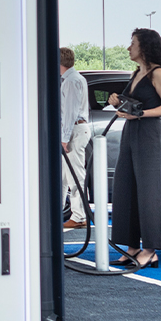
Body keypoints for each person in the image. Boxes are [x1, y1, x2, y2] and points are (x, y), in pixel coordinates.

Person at [106, 28, 161, 269]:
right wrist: (115, 99)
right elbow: (128, 103)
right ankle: (132, 247)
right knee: (125, 188)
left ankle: (150, 250)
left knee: (148, 192)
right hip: (131, 133)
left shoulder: (158, 74)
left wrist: (141, 114)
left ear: (144, 47)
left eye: (132, 43)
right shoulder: (136, 73)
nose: (128, 48)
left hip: (148, 134)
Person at [59, 47, 90, 228]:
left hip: (74, 131)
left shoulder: (71, 81)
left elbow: (70, 113)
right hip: (75, 130)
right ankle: (58, 212)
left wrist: (64, 139)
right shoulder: (75, 78)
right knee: (63, 177)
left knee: (75, 175)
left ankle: (79, 217)